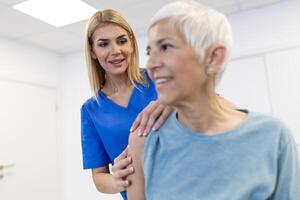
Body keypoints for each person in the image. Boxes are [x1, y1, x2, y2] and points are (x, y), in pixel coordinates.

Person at [127, 1, 300, 200]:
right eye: (150, 52)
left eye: (165, 47)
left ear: (213, 57)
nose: (151, 65)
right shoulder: (144, 140)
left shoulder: (272, 136)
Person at [80, 9, 173, 200]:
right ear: (93, 51)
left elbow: (207, 106)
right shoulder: (91, 110)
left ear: (131, 42)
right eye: (103, 44)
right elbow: (99, 176)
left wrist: (175, 105)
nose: (115, 51)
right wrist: (118, 180)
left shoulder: (160, 77)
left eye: (121, 41)